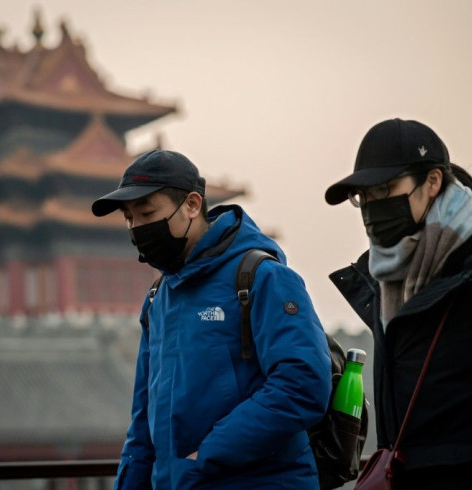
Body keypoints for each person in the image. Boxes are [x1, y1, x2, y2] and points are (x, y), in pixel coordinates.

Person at [92, 149, 332, 489]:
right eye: (129, 218)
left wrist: (205, 454)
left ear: (192, 205)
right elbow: (144, 418)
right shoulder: (158, 298)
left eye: (147, 212)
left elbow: (302, 385)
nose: (137, 228)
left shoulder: (263, 277)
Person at [324, 118, 472, 490]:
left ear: (433, 181)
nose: (373, 206)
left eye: (386, 188)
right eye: (363, 196)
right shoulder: (387, 283)